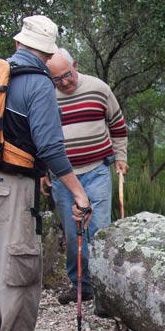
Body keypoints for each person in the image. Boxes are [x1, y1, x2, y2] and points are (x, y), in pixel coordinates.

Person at [0, 15, 93, 331]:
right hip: (9, 185)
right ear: (48, 53)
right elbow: (51, 148)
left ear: (20, 43)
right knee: (19, 262)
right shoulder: (37, 84)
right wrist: (79, 193)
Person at [42, 48, 129, 316]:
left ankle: (105, 293)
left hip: (97, 172)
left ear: (75, 66)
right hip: (64, 178)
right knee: (73, 234)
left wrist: (121, 156)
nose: (65, 83)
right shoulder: (46, 97)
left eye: (67, 75)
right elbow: (42, 138)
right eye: (57, 80)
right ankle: (81, 286)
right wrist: (44, 172)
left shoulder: (98, 89)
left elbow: (117, 125)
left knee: (99, 231)